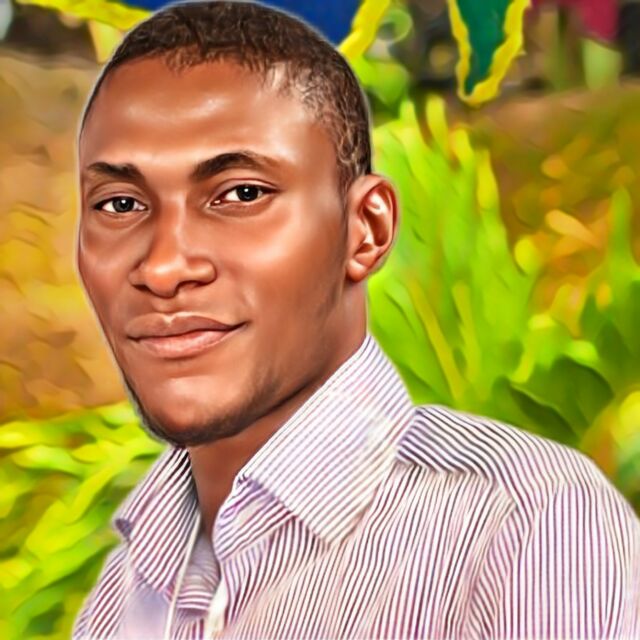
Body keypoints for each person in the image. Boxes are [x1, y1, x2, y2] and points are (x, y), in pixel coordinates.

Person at [72, 2, 640, 638]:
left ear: (366, 229)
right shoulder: (130, 581)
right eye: (118, 204)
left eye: (241, 194)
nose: (163, 267)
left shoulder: (520, 528)